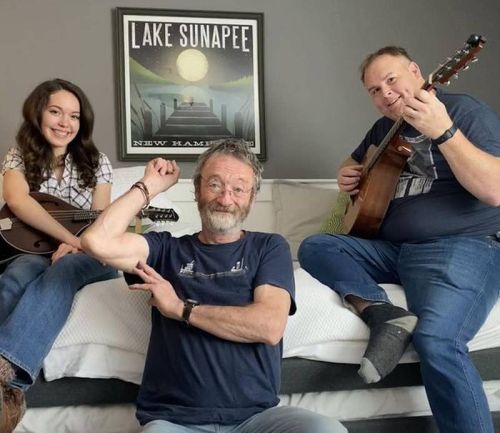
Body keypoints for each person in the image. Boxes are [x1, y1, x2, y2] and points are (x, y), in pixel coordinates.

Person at [80, 139, 347, 433]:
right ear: (196, 190)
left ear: (252, 198)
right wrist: (148, 187)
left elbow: (269, 327)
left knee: (328, 430)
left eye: (238, 188)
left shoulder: (268, 247)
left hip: (255, 420)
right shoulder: (165, 251)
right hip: (175, 421)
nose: (225, 198)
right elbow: (96, 242)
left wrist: (181, 309)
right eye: (215, 185)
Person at [298, 46, 500, 433]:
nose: (385, 93)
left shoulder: (463, 111)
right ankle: (383, 314)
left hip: (463, 244)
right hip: (395, 250)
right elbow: (353, 161)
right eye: (374, 90)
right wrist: (347, 173)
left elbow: (494, 190)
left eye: (391, 80)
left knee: (438, 341)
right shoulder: (383, 130)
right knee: (318, 245)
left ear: (416, 72)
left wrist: (444, 132)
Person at [0, 78, 118, 432]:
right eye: (55, 112)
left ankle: (8, 373)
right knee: (16, 275)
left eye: (74, 116)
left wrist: (79, 244)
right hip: (37, 250)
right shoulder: (18, 157)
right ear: (38, 113)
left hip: (89, 255)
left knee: (63, 271)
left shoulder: (97, 163)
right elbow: (20, 203)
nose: (65, 122)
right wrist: (68, 237)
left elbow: (100, 222)